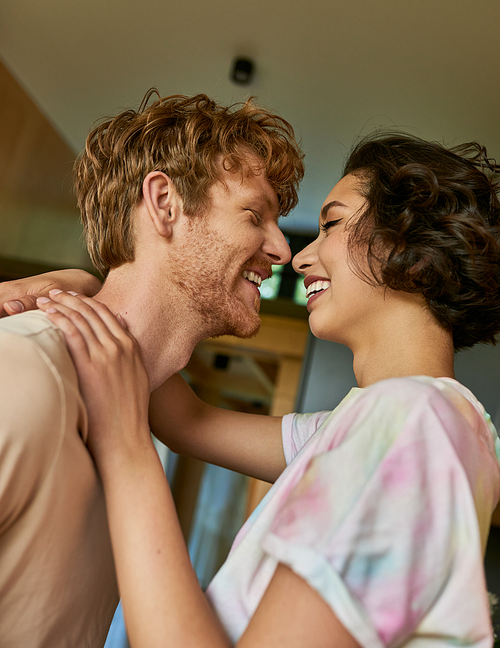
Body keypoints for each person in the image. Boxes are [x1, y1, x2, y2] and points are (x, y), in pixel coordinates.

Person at [20, 132, 500, 647]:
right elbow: (188, 422)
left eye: (332, 224)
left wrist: (125, 446)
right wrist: (88, 290)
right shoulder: (404, 424)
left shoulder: (409, 424)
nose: (295, 257)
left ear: (412, 248)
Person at [0, 90, 304, 647]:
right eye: (255, 215)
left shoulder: (135, 415)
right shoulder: (19, 370)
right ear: (165, 203)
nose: (282, 248)